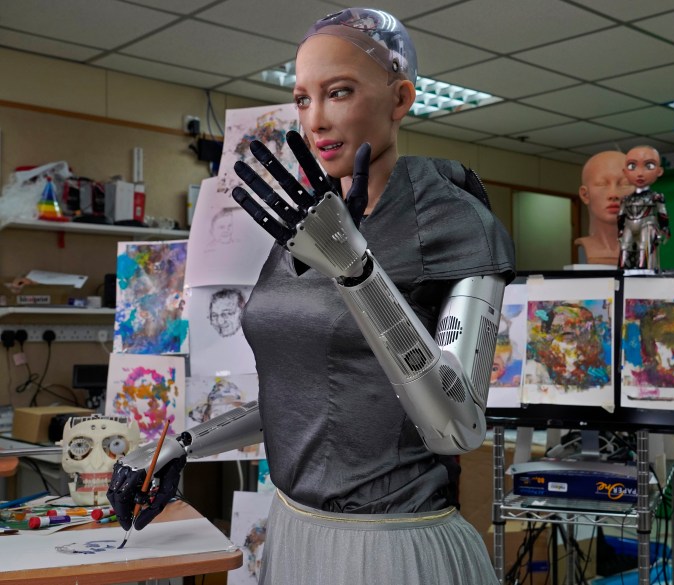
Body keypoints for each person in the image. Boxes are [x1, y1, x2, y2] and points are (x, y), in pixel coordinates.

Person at [107, 7, 515, 585]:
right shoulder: (303, 224)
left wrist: (359, 275)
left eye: (339, 92)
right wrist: (184, 444)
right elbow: (298, 396)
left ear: (400, 99)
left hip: (393, 546)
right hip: (294, 532)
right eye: (302, 99)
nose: (315, 120)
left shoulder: (456, 224)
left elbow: (459, 427)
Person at [574, 150, 633, 266]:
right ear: (585, 195)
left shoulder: (643, 249)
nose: (614, 194)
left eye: (624, 184)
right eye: (602, 184)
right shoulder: (587, 249)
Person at [617, 145, 670, 270]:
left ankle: (644, 273)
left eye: (649, 166)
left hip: (647, 224)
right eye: (632, 166)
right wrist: (619, 230)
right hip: (628, 225)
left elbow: (663, 214)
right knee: (624, 249)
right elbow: (620, 216)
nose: (640, 173)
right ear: (625, 172)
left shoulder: (656, 197)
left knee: (644, 251)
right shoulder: (625, 199)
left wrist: (665, 229)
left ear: (659, 171)